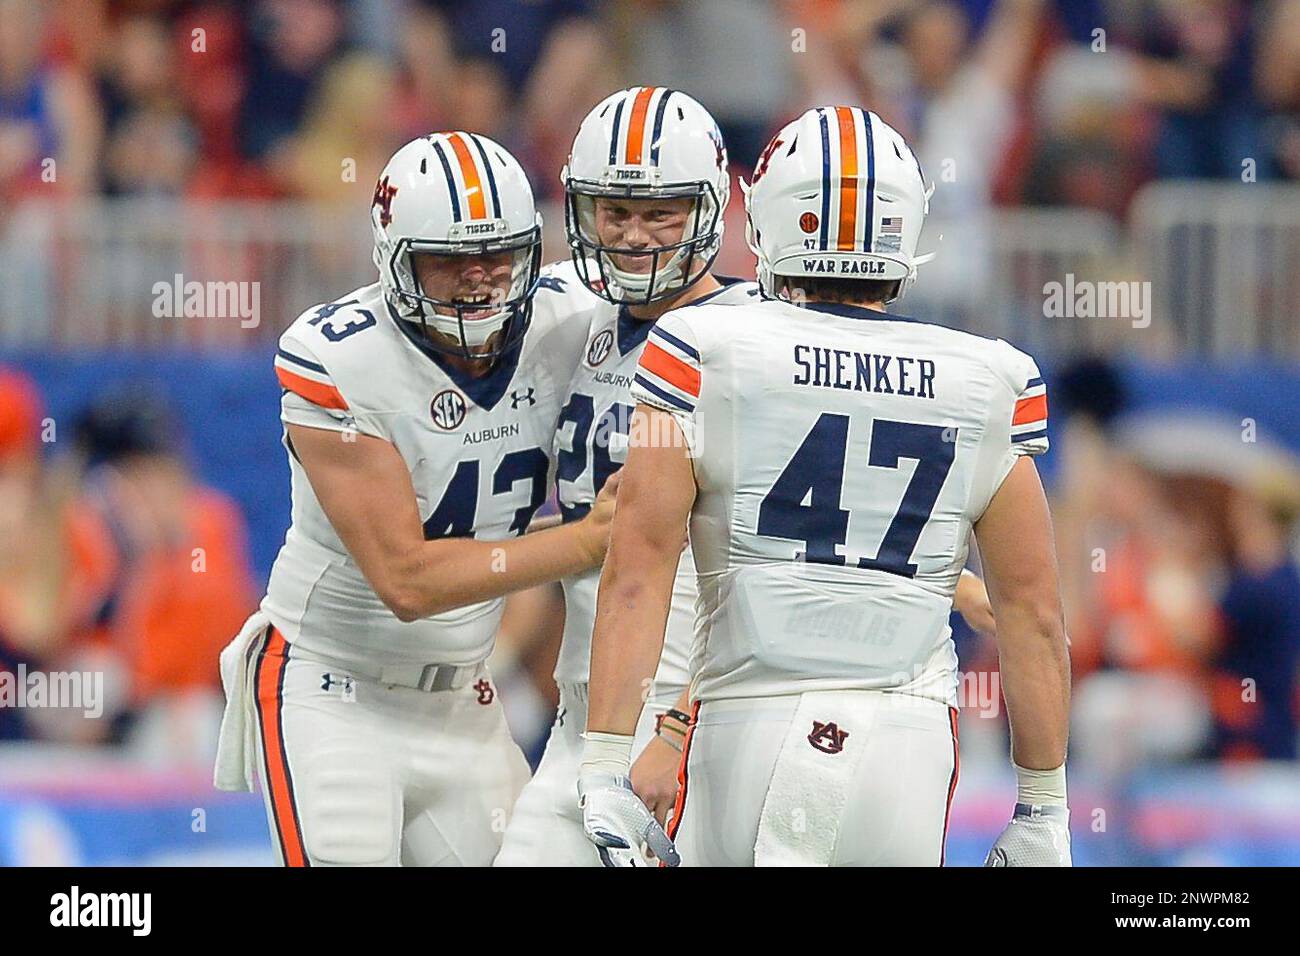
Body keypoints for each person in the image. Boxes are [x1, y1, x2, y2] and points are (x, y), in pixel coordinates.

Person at [495, 88, 996, 867]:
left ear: (715, 210)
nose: (634, 238)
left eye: (660, 213)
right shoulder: (562, 314)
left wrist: (674, 731)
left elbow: (837, 527)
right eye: (612, 211)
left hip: (699, 719)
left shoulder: (757, 346)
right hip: (584, 719)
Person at [214, 132, 614, 867]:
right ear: (396, 259)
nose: (479, 279)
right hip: (335, 687)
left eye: (497, 255)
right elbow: (407, 579)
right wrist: (586, 541)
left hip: (465, 694)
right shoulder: (341, 357)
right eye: (449, 259)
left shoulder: (570, 321)